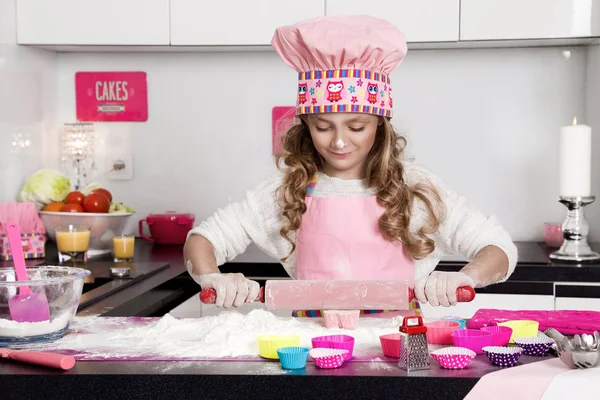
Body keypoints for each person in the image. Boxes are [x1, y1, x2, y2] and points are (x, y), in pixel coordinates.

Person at [183, 15, 518, 318]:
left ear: (380, 123)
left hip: (397, 350)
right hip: (310, 353)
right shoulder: (289, 189)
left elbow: (498, 248)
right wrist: (212, 275)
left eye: (356, 127)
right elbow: (203, 239)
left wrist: (464, 277)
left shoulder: (414, 188)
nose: (339, 142)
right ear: (306, 124)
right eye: (323, 127)